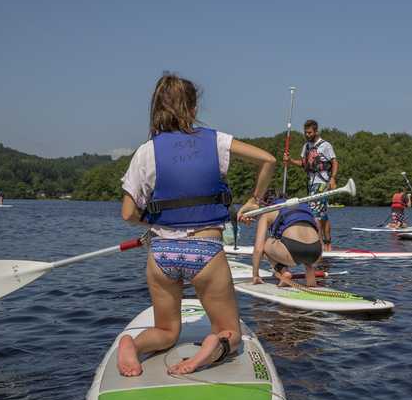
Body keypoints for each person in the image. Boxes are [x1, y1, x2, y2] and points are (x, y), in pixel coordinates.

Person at [117, 73, 276, 377]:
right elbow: (268, 160)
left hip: (162, 253)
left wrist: (153, 223)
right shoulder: (216, 141)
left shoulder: (146, 151)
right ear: (192, 108)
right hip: (205, 251)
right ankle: (215, 342)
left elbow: (127, 213)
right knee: (231, 332)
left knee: (166, 331)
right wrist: (254, 200)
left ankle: (133, 345)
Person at [249, 189, 323, 287]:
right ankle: (310, 275)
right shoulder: (304, 207)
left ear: (265, 204)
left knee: (264, 243)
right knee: (306, 243)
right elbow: (318, 230)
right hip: (316, 252)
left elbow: (258, 249)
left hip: (293, 250)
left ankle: (284, 272)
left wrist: (255, 275)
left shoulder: (268, 211)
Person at [287, 119, 337, 251]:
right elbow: (303, 164)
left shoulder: (325, 145)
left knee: (314, 215)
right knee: (323, 216)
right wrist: (290, 161)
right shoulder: (306, 146)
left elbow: (334, 162)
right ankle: (328, 245)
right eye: (305, 132)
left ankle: (318, 245)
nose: (307, 135)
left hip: (322, 183)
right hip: (311, 183)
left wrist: (333, 178)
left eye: (309, 132)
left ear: (316, 131)